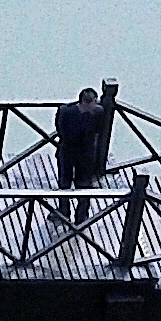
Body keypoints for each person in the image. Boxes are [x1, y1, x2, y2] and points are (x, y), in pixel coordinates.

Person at [54, 85, 111, 223]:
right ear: (85, 102)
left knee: (85, 185)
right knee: (64, 182)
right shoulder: (65, 112)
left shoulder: (98, 113)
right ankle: (63, 212)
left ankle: (81, 217)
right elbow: (61, 129)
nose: (96, 106)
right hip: (67, 151)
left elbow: (100, 131)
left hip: (86, 155)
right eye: (93, 103)